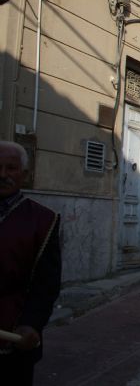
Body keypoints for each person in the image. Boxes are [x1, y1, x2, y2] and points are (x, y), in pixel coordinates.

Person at [0, 142, 61, 386]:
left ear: (24, 175)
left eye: (11, 168)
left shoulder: (43, 220)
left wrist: (31, 324)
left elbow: (46, 283)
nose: (2, 174)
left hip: (13, 334)